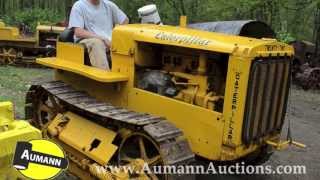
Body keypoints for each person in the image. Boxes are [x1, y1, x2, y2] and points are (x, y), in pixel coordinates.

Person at [69, 0, 129, 70]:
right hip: (86, 40)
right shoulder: (79, 6)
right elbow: (78, 32)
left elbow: (125, 21)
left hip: (108, 42)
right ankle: (105, 76)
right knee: (97, 43)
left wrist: (117, 34)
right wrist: (102, 38)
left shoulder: (109, 5)